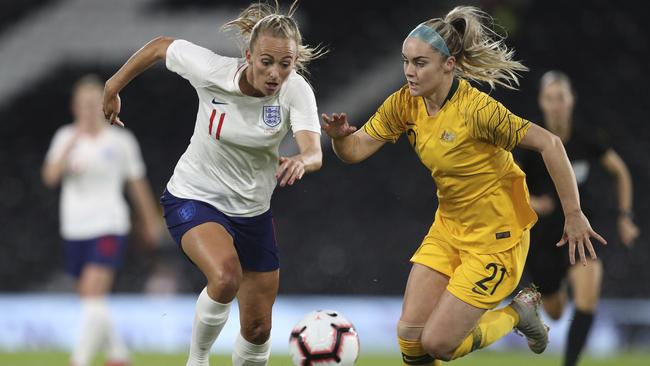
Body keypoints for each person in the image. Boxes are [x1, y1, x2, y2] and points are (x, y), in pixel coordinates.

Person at [321, 6, 607, 365]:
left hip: (497, 239)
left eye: (420, 63)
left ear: (448, 65)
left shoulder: (478, 112)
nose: (409, 71)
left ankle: (520, 313)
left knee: (438, 343)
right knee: (410, 340)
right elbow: (356, 149)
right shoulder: (405, 103)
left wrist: (574, 213)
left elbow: (551, 144)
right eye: (405, 61)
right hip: (450, 228)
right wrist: (338, 139)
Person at [102, 1, 324, 365]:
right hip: (193, 195)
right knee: (225, 277)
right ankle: (198, 360)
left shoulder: (295, 91)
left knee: (257, 330)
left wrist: (303, 160)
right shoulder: (212, 70)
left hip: (252, 212)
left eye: (285, 64)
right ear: (249, 55)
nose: (274, 73)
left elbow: (314, 152)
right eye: (266, 61)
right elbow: (160, 45)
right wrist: (112, 87)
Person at [518, 70, 639, 366]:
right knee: (556, 312)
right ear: (542, 102)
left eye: (561, 97)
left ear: (571, 100)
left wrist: (624, 216)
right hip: (543, 237)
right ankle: (547, 294)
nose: (556, 104)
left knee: (587, 300)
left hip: (579, 230)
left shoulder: (587, 137)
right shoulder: (530, 140)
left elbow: (620, 172)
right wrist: (532, 201)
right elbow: (507, 182)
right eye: (550, 98)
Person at [42, 74, 161, 366]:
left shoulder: (120, 140)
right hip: (74, 227)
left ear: (104, 106)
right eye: (83, 104)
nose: (89, 109)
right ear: (74, 107)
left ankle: (78, 360)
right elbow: (50, 177)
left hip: (109, 225)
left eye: (94, 103)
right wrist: (72, 143)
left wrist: (150, 221)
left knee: (94, 291)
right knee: (89, 299)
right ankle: (119, 354)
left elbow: (137, 184)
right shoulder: (64, 137)